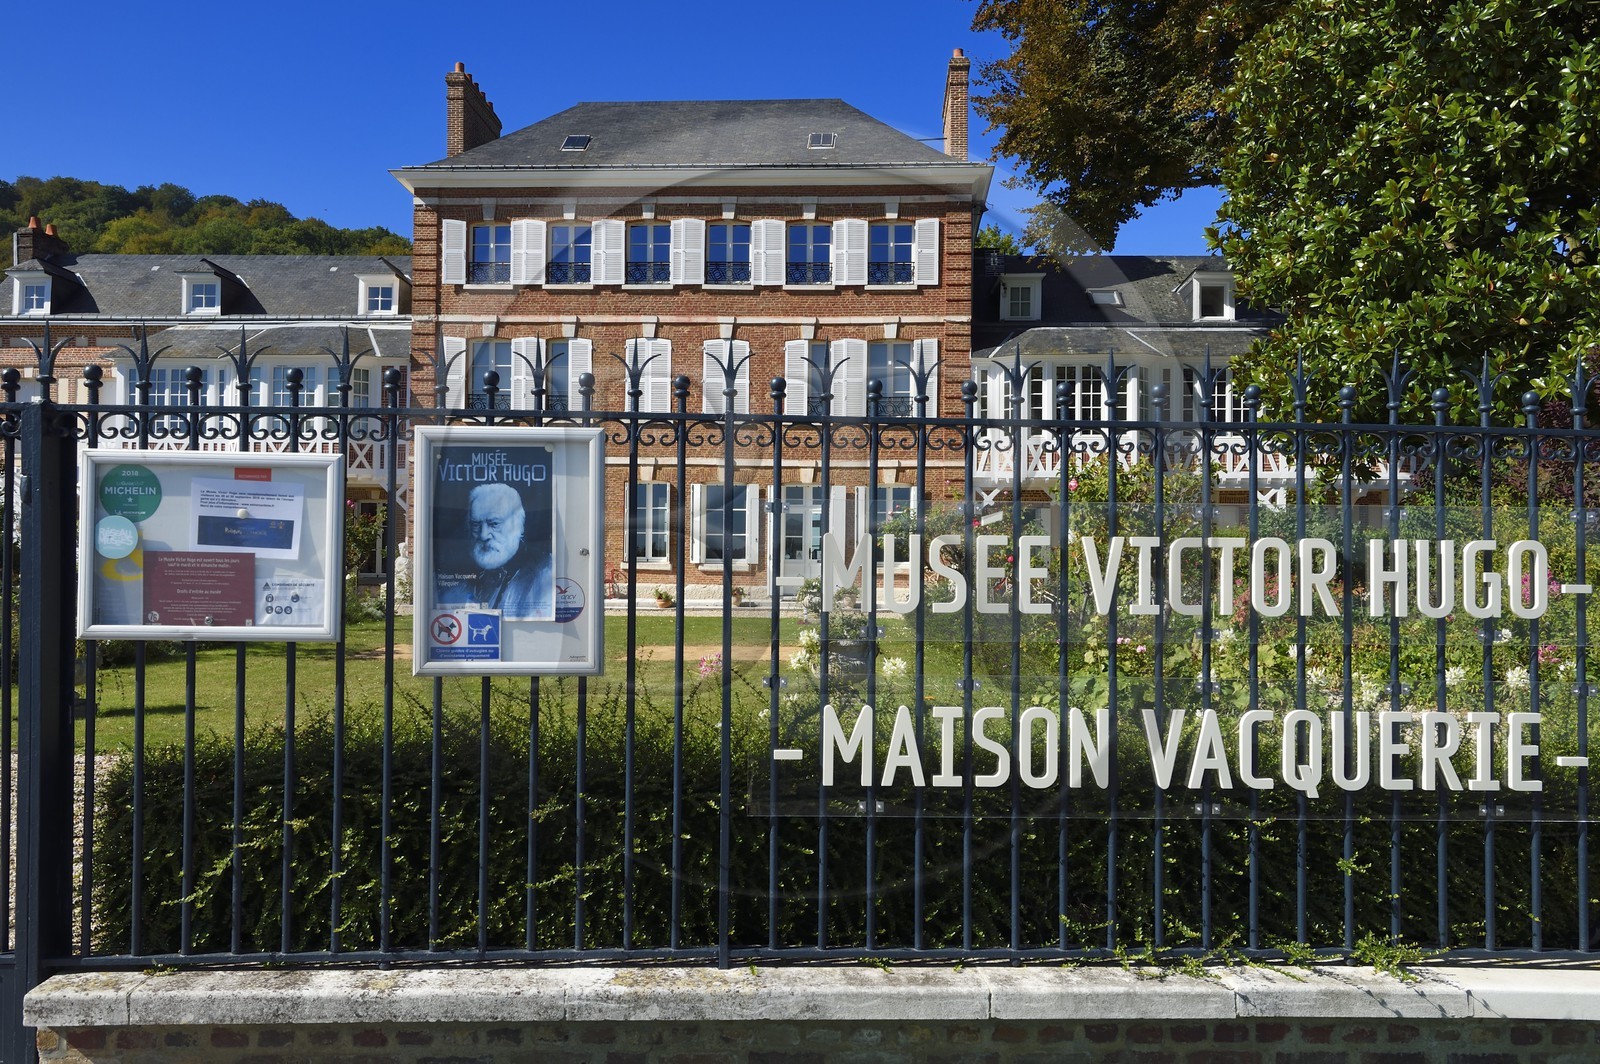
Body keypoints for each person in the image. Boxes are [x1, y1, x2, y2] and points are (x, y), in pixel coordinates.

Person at [439, 482, 553, 620]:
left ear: (519, 525)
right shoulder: (453, 575)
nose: (483, 535)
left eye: (494, 524)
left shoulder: (546, 571)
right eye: (476, 525)